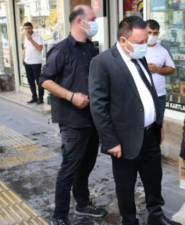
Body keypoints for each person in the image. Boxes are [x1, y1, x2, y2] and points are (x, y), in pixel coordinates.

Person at [89, 16, 181, 225]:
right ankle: (129, 220)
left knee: (153, 178)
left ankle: (156, 215)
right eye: (139, 42)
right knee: (125, 184)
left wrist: (158, 122)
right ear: (123, 41)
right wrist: (110, 141)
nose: (144, 46)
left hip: (150, 134)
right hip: (124, 138)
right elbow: (98, 106)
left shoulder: (139, 58)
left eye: (145, 40)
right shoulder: (102, 62)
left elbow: (149, 92)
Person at [39, 5, 107, 225]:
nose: (96, 23)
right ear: (80, 21)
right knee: (69, 168)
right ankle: (59, 215)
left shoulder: (90, 48)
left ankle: (82, 204)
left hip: (92, 120)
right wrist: (71, 96)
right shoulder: (62, 49)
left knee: (85, 166)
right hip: (72, 121)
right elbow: (45, 80)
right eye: (93, 18)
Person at [145, 19, 175, 127]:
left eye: (155, 33)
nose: (152, 36)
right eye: (149, 33)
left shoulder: (163, 49)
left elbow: (172, 69)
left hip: (159, 95)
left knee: (158, 126)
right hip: (141, 95)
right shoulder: (137, 47)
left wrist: (158, 70)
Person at [23, 22, 44, 104]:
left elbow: (40, 48)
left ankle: (40, 98)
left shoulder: (37, 36)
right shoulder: (26, 36)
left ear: (32, 27)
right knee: (30, 81)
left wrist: (31, 40)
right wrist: (23, 58)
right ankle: (34, 97)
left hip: (36, 62)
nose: (27, 30)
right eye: (26, 29)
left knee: (38, 81)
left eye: (29, 28)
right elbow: (25, 48)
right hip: (27, 62)